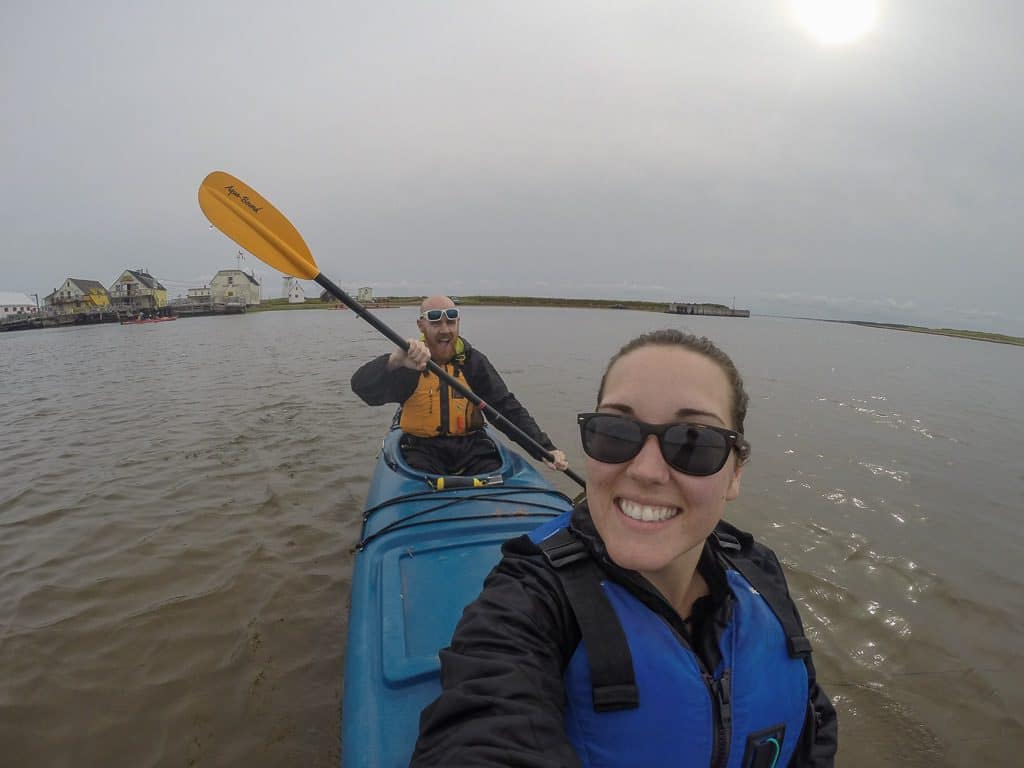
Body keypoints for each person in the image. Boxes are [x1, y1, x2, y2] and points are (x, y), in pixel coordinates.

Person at [410, 329, 837, 767]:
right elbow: (481, 729)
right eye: (615, 432)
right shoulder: (529, 598)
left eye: (693, 441)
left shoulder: (758, 570)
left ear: (735, 473)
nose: (647, 471)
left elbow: (814, 731)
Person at [351, 295, 569, 476]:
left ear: (458, 324)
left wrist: (544, 448)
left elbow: (505, 407)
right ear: (421, 325)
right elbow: (363, 389)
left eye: (451, 321)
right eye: (435, 322)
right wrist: (393, 361)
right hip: (421, 449)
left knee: (493, 473)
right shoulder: (409, 362)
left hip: (471, 448)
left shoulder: (473, 362)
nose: (445, 330)